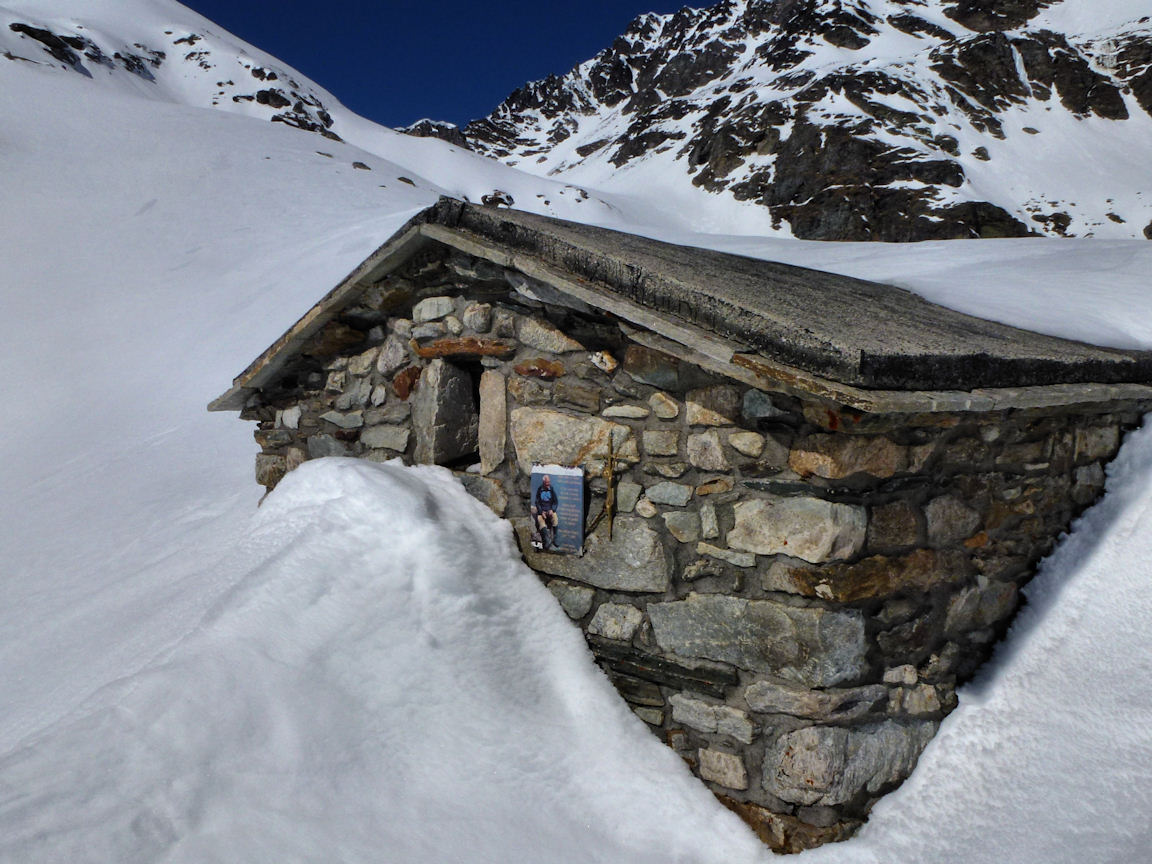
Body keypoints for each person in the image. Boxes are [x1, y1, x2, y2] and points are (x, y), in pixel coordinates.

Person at [534, 474, 559, 550]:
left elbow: (555, 502)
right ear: (543, 482)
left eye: (549, 482)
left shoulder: (551, 489)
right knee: (540, 520)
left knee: (555, 518)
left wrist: (552, 509)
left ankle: (555, 538)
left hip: (550, 509)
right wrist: (541, 512)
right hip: (542, 511)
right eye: (546, 483)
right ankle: (546, 539)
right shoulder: (539, 489)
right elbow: (537, 502)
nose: (548, 484)